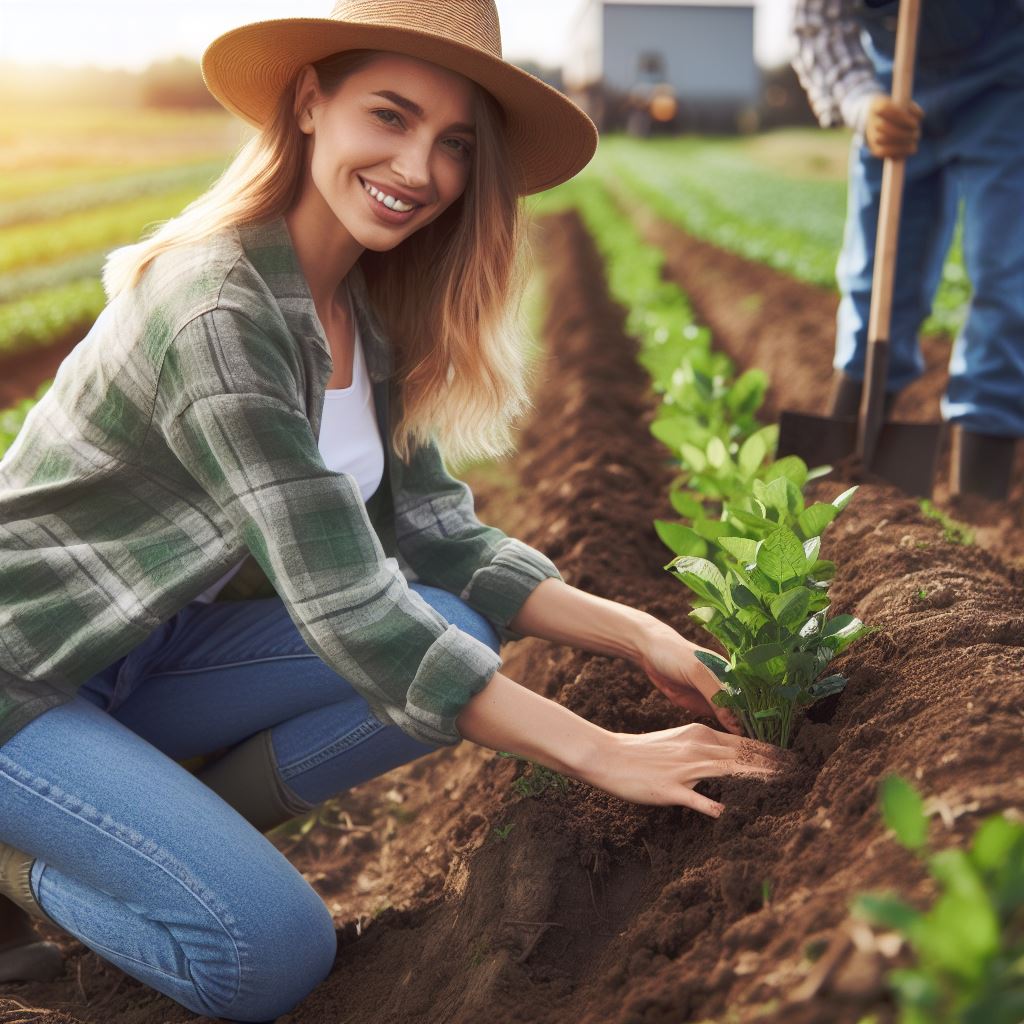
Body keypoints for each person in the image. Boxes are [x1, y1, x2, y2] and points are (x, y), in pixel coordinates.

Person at [0, 1, 783, 1017]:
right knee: (268, 956)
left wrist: (637, 634)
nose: (420, 167)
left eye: (454, 143)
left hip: (142, 650)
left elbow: (436, 537)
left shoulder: (363, 311)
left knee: (455, 627)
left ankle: (152, 826)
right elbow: (349, 605)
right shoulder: (217, 306)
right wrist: (604, 750)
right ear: (311, 104)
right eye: (391, 115)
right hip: (26, 671)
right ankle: (29, 871)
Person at [791, 0, 1024, 499]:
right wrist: (862, 103)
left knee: (1008, 272)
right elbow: (816, 21)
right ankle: (849, 438)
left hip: (1009, 85)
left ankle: (980, 490)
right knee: (876, 274)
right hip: (891, 86)